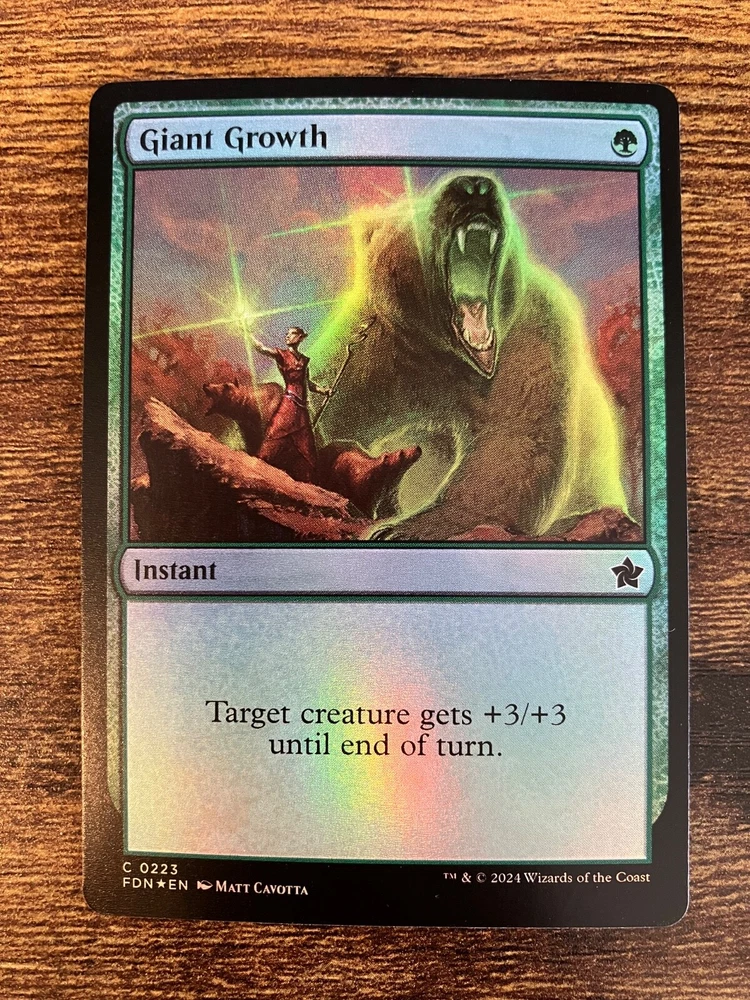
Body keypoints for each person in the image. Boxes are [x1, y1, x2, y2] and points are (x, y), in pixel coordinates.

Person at [249, 326, 331, 483]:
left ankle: (310, 484)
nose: (287, 336)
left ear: (300, 337)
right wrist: (248, 333)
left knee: (308, 449)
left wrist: (324, 390)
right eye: (286, 333)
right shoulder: (281, 355)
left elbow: (308, 384)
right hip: (288, 405)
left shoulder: (304, 360)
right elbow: (261, 348)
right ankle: (257, 472)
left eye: (291, 333)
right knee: (273, 436)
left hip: (302, 410)